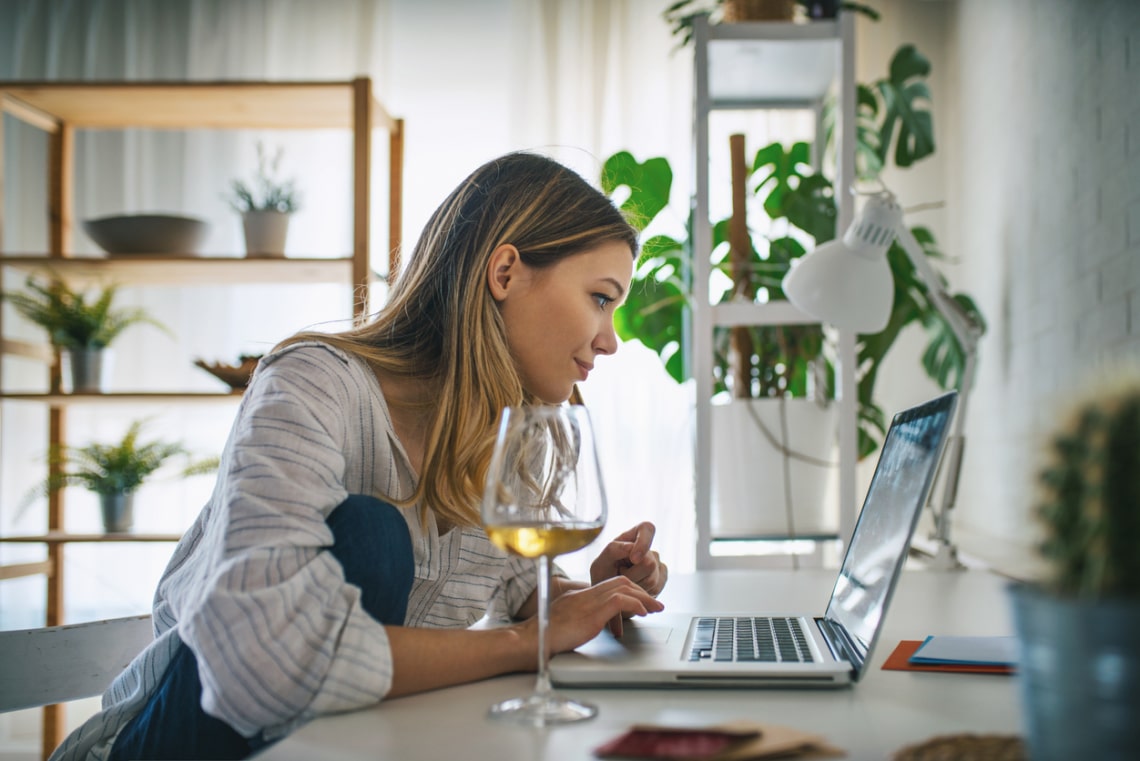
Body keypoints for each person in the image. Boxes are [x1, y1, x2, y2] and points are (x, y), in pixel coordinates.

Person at [51, 151, 668, 761]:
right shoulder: (314, 386)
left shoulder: (502, 431)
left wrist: (586, 595)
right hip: (170, 745)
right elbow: (261, 664)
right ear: (504, 272)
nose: (610, 340)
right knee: (372, 533)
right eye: (600, 298)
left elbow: (509, 583)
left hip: (346, 744)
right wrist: (526, 642)